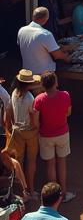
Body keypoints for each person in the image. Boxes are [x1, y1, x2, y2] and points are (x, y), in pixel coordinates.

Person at [34, 72, 74, 200]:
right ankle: (64, 193)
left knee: (50, 165)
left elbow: (35, 121)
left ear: (42, 85)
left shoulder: (39, 99)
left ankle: (54, 197)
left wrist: (41, 127)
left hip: (46, 135)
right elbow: (68, 113)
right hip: (62, 133)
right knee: (62, 163)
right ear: (55, 83)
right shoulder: (65, 95)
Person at [7, 68, 41, 198]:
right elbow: (33, 120)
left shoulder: (14, 93)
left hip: (17, 130)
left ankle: (22, 191)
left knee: (19, 161)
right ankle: (31, 190)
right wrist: (38, 128)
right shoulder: (30, 98)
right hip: (29, 132)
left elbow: (9, 113)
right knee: (31, 160)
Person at [18, 7, 68, 75]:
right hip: (45, 73)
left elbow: (30, 46)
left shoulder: (21, 30)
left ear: (33, 17)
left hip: (27, 71)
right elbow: (58, 55)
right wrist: (68, 58)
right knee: (64, 63)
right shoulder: (45, 34)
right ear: (47, 18)